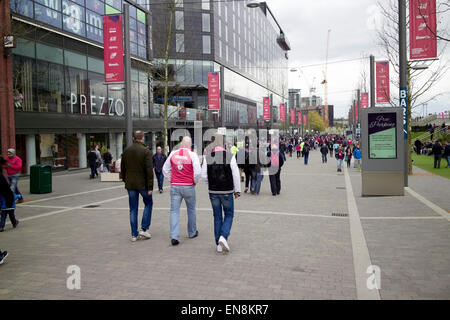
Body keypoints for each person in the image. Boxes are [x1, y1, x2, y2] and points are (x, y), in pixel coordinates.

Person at [201, 134, 241, 253]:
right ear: (223, 143)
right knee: (229, 214)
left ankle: (218, 243)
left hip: (213, 191)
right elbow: (235, 175)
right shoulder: (230, 156)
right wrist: (237, 190)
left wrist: (211, 182)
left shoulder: (208, 157)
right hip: (227, 190)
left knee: (217, 216)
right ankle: (223, 237)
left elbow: (203, 175)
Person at [163, 136, 201, 246]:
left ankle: (174, 235)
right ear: (190, 145)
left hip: (175, 186)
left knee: (174, 211)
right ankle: (192, 232)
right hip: (188, 186)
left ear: (181, 144)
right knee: (191, 209)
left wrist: (171, 179)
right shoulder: (193, 155)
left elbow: (165, 169)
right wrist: (194, 181)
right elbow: (198, 172)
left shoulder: (173, 154)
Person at [121, 131, 154, 242]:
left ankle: (134, 234)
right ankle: (144, 228)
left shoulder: (126, 151)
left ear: (134, 138)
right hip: (143, 184)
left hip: (130, 184)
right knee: (148, 203)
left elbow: (123, 169)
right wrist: (150, 187)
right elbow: (149, 170)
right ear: (142, 138)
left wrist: (126, 180)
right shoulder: (146, 151)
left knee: (133, 209)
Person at [0, 156, 19, 232]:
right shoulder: (2, 178)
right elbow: (13, 195)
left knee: (3, 216)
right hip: (9, 202)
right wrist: (18, 197)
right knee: (11, 215)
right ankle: (14, 223)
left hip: (4, 205)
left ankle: (1, 226)